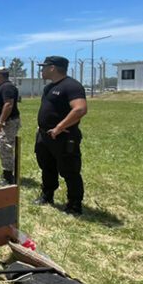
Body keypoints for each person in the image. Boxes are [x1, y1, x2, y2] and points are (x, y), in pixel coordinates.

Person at [35, 56, 88, 214]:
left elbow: (80, 109)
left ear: (52, 68)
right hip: (45, 135)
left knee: (70, 170)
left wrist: (59, 127)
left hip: (63, 136)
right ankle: (47, 194)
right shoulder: (49, 87)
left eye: (43, 67)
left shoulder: (71, 86)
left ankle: (74, 204)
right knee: (47, 166)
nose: (41, 70)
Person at [0, 67, 20, 185]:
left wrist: (0, 122)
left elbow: (8, 105)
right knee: (3, 147)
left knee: (5, 147)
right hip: (5, 122)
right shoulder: (3, 87)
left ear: (0, 75)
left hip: (7, 122)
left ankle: (8, 177)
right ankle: (7, 172)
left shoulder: (7, 87)